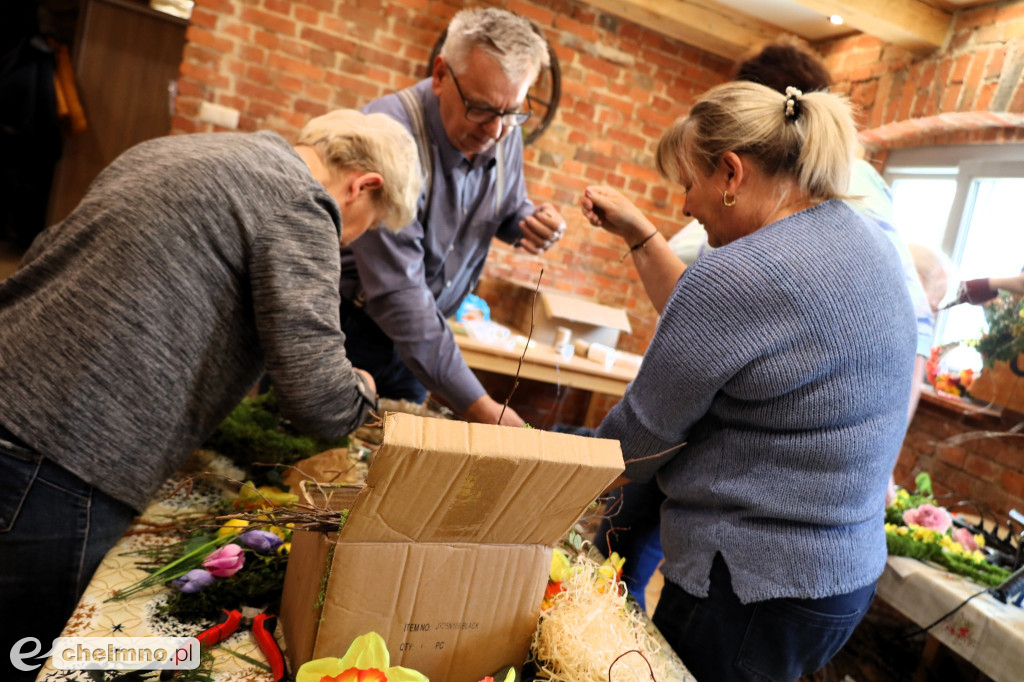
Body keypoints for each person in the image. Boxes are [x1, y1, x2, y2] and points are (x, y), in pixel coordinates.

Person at [0, 109, 421, 678]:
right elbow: (317, 397)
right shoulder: (301, 202)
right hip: (63, 451)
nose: (352, 243)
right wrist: (362, 390)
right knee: (25, 652)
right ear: (362, 185)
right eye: (365, 228)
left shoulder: (180, 149)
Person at [579, 81, 916, 681]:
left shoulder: (741, 271)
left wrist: (550, 484)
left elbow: (640, 435)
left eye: (689, 183)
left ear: (731, 174)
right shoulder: (863, 239)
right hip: (837, 579)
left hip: (749, 585)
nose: (684, 206)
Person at [339, 7, 567, 426]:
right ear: (441, 74)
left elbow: (506, 205)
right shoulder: (386, 136)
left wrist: (529, 222)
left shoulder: (500, 129)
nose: (495, 132)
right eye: (480, 109)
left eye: (512, 113)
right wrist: (481, 407)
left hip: (422, 351)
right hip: (348, 335)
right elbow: (398, 294)